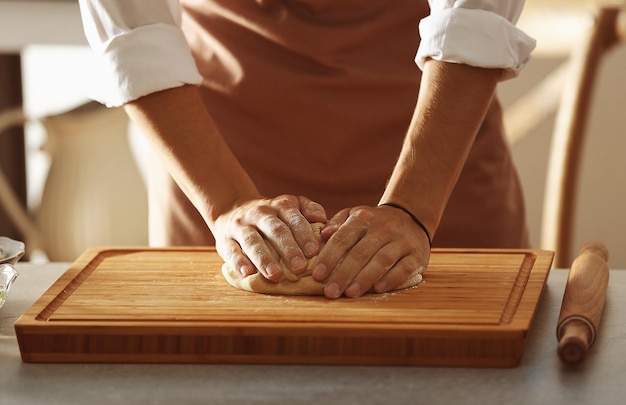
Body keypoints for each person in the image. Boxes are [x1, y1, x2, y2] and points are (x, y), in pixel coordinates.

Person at [78, 0, 536, 299]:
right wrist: (227, 203)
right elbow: (133, 36)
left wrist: (415, 208)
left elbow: (474, 15)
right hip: (216, 160)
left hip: (437, 164)